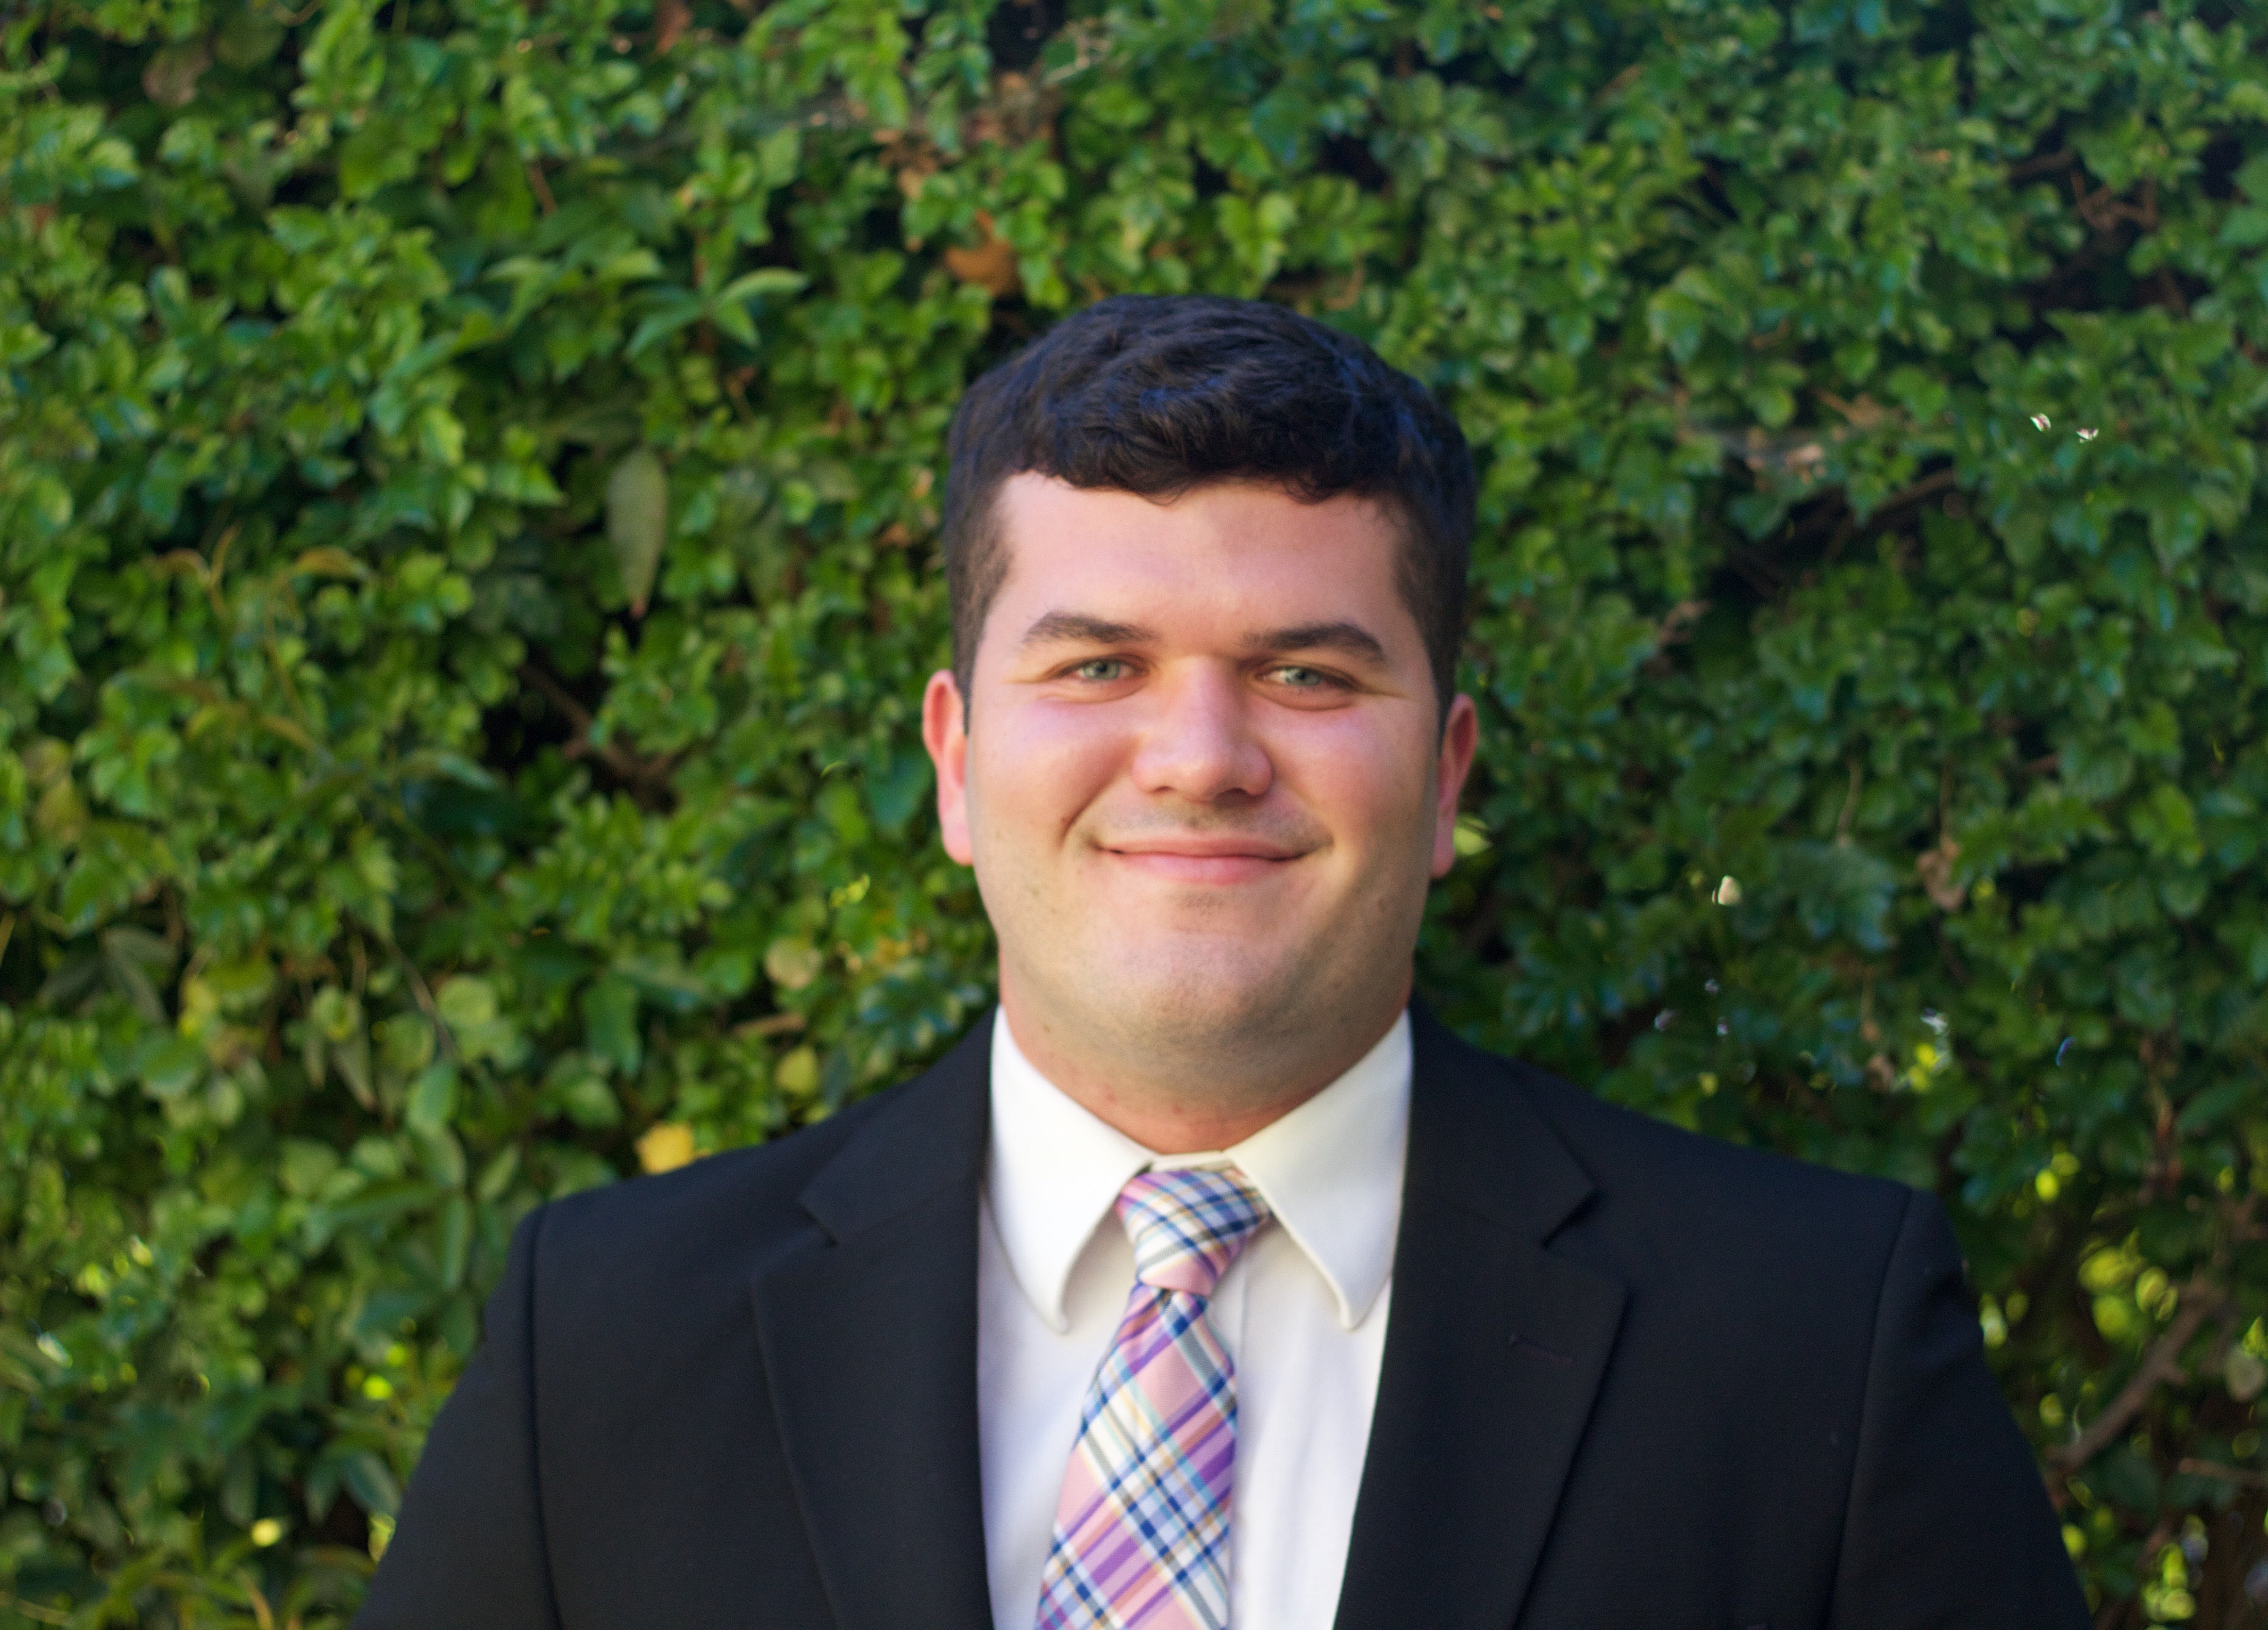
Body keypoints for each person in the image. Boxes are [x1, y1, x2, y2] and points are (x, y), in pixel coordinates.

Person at [358, 295, 2087, 1630]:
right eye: (1099, 667)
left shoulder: (1808, 1340)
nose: (1201, 754)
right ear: (957, 766)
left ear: (1447, 779)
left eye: (1311, 677)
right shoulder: (605, 1343)